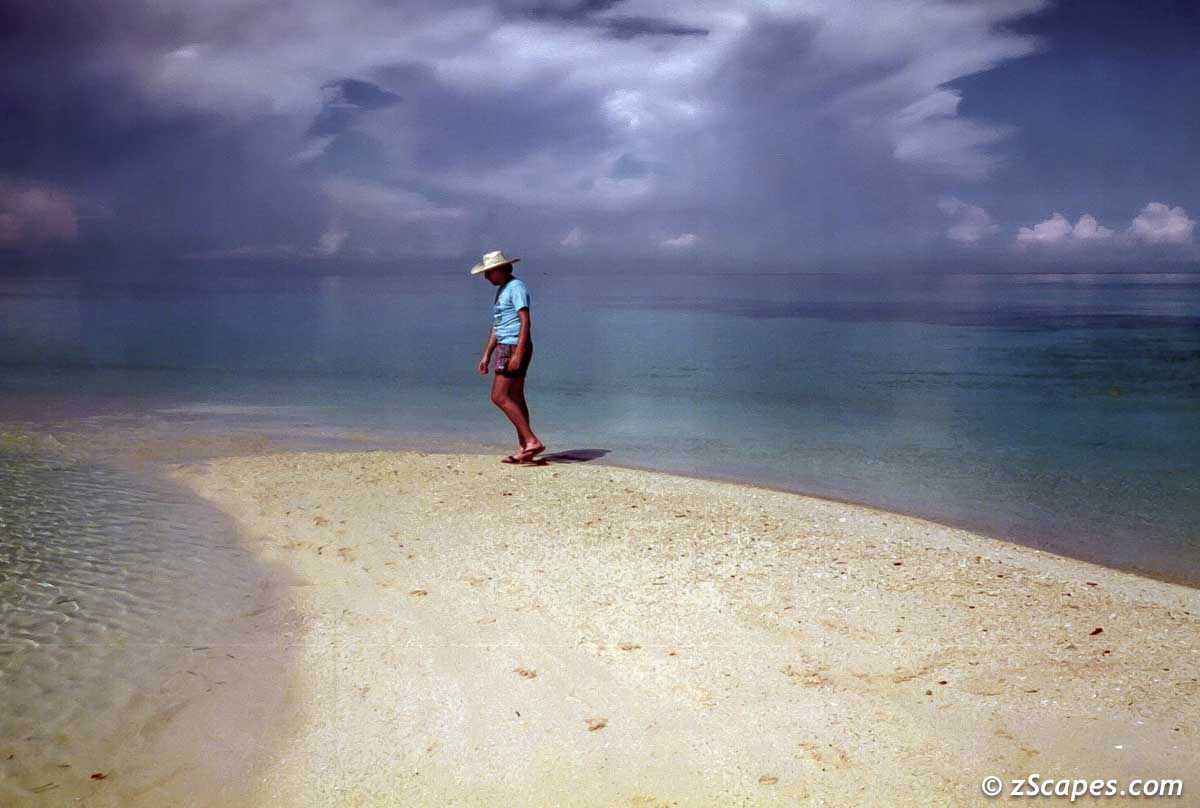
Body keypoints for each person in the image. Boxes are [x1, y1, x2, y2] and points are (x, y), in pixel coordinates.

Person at [472, 250, 545, 464]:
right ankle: (525, 448)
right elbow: (498, 326)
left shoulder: (516, 287)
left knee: (499, 396)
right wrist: (486, 355)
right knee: (516, 397)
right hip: (507, 345)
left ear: (502, 269)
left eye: (489, 272)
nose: (486, 277)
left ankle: (531, 441)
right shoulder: (502, 290)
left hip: (514, 346)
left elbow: (525, 321)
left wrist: (518, 353)